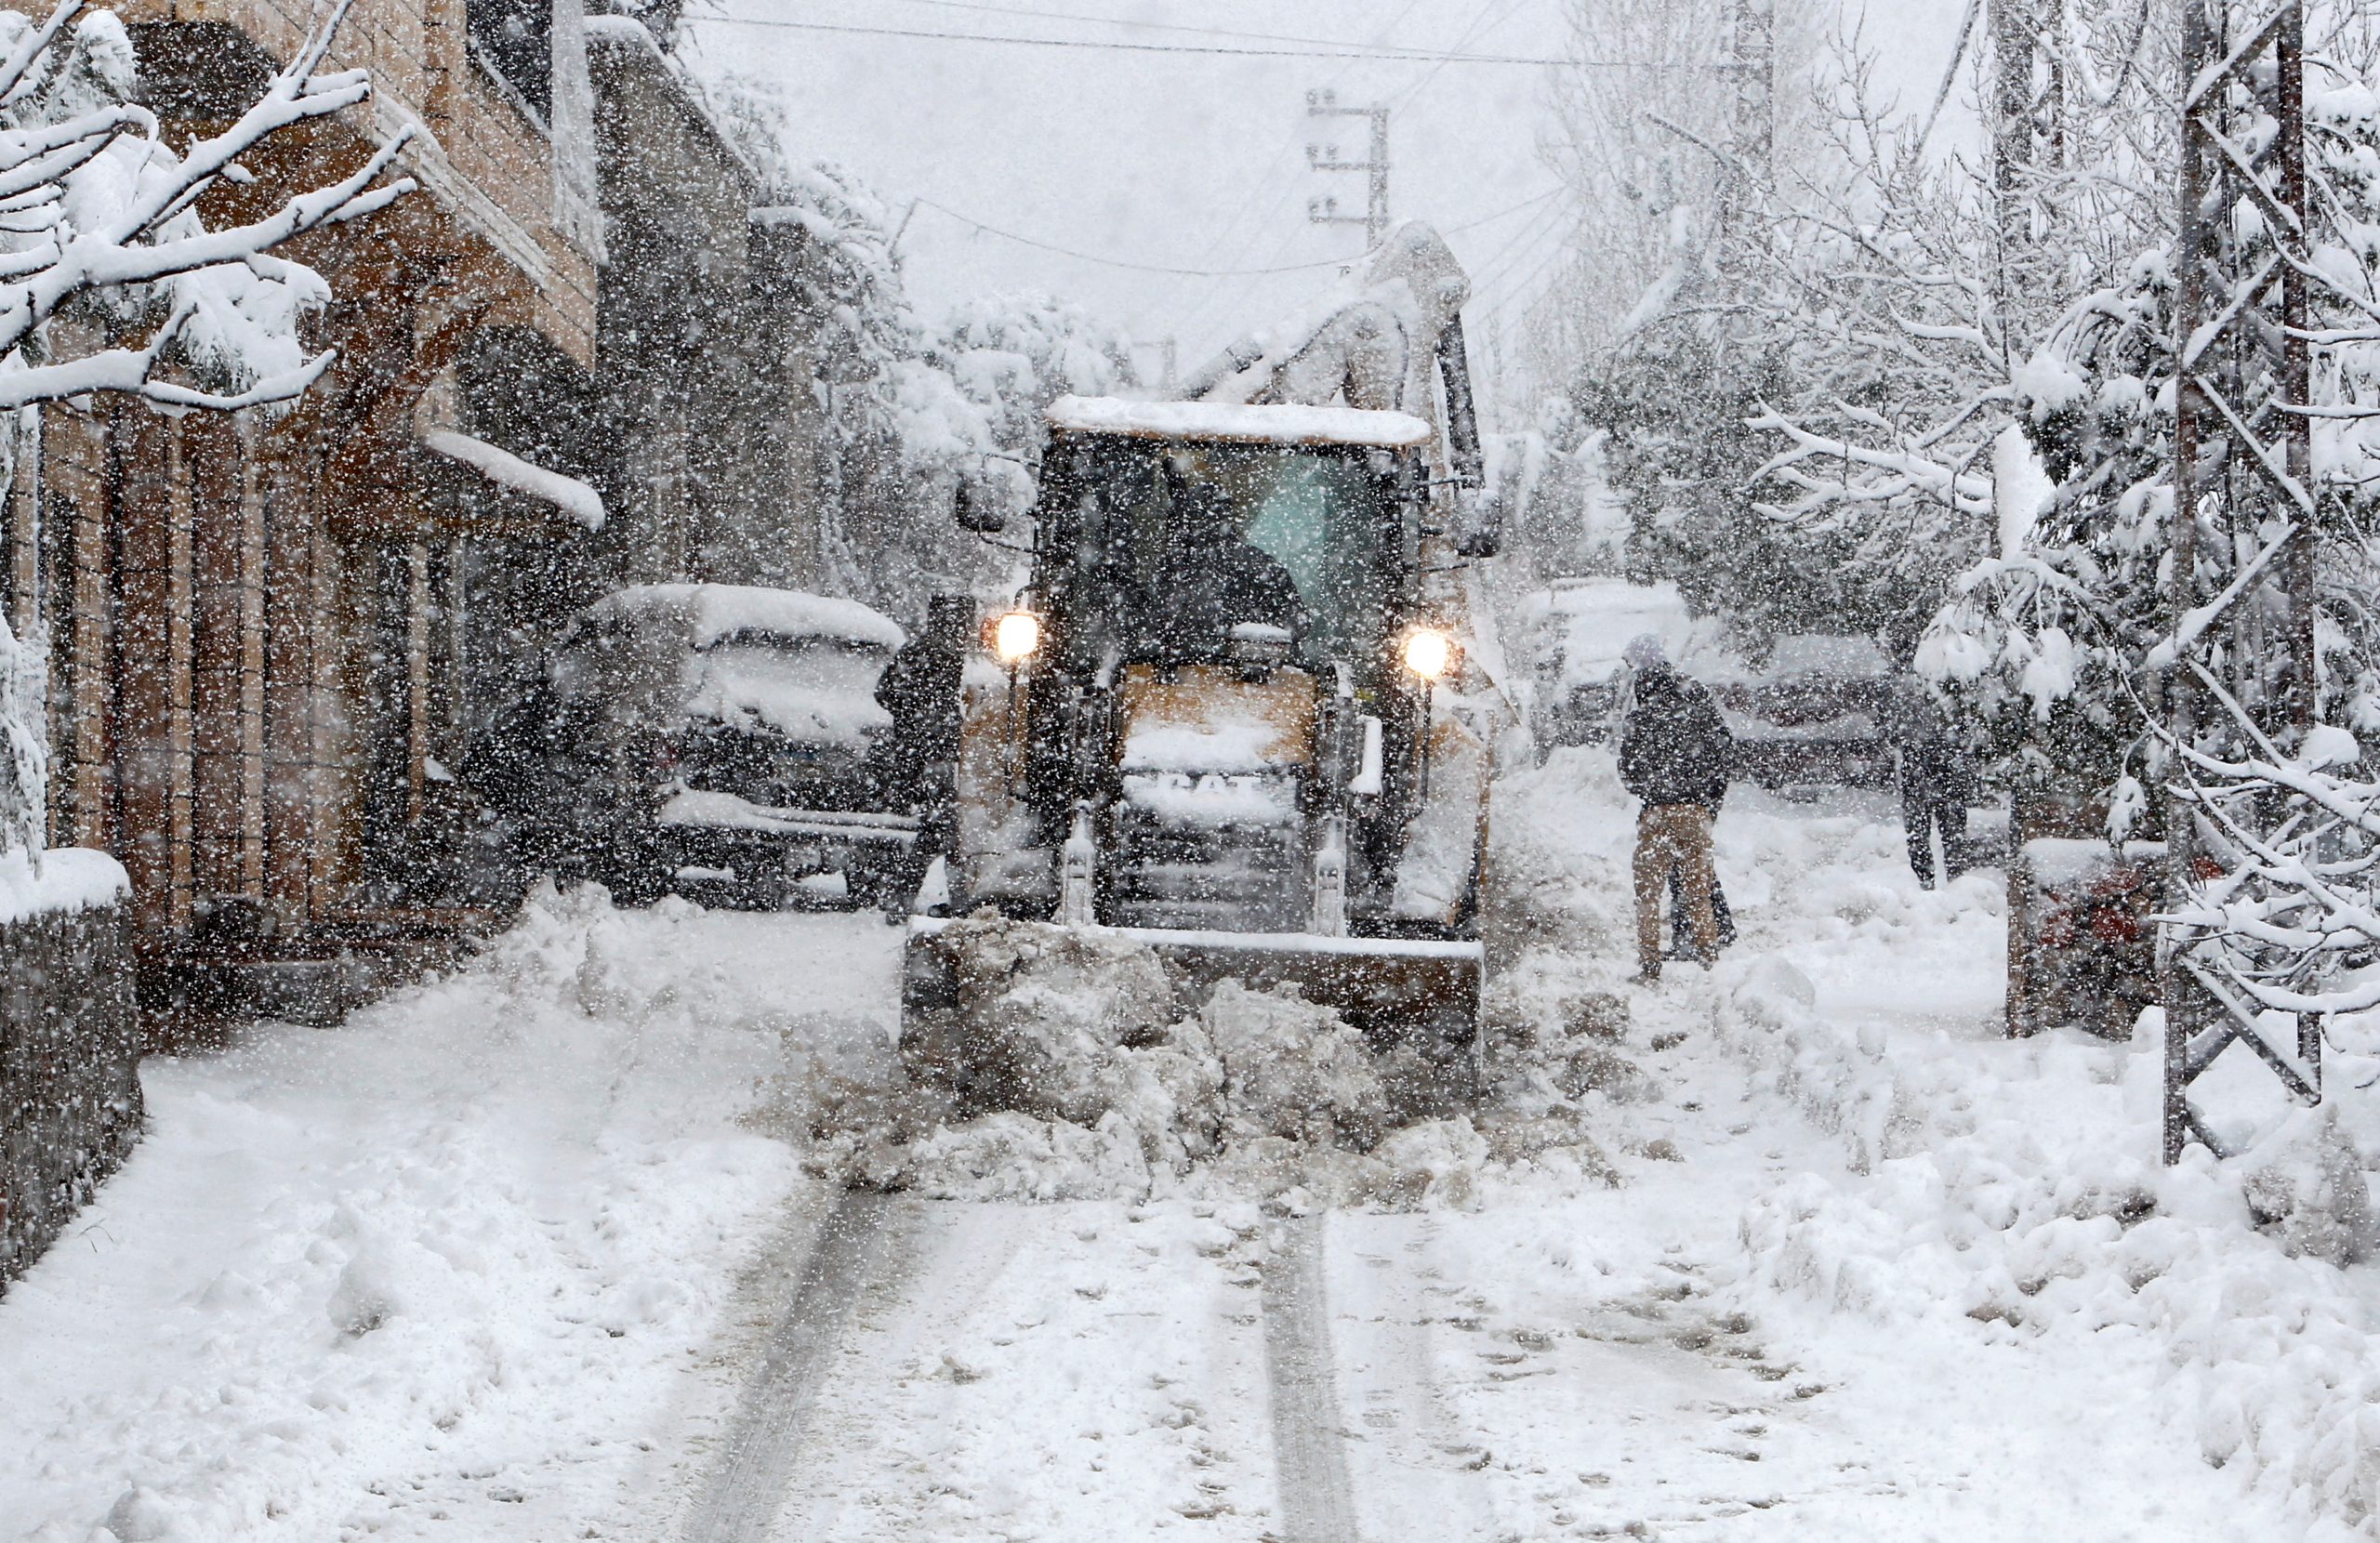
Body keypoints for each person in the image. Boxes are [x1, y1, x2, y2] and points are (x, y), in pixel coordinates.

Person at [1617, 634, 1733, 983]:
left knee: (1648, 897)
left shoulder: (1640, 717)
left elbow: (1629, 772)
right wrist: (1707, 799)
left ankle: (1650, 965)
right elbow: (1721, 750)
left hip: (1656, 812)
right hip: (1695, 810)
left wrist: (1654, 789)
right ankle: (1709, 958)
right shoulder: (1694, 699)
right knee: (1699, 890)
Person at [1887, 679, 1976, 890]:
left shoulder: (1913, 694)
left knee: (1935, 837)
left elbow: (1894, 733)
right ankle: (1939, 884)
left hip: (1931, 776)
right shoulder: (1950, 690)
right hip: (1936, 776)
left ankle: (1939, 884)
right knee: (1942, 837)